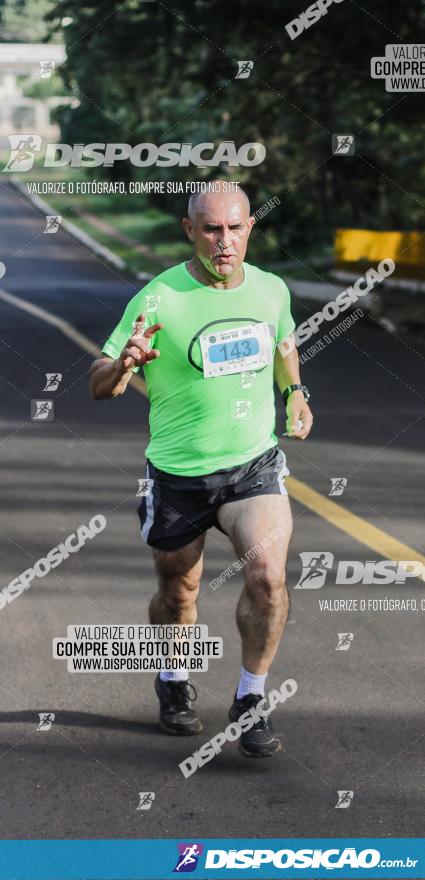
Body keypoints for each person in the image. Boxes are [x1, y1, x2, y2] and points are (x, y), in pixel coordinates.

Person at [89, 183, 312, 757]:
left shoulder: (271, 289)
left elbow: (283, 342)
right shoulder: (158, 297)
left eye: (235, 228)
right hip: (178, 475)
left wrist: (294, 393)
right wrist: (125, 362)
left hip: (252, 465)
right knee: (179, 591)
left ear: (249, 229)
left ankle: (250, 697)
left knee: (268, 576)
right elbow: (99, 386)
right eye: (212, 229)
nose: (224, 241)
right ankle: (171, 678)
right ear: (190, 230)